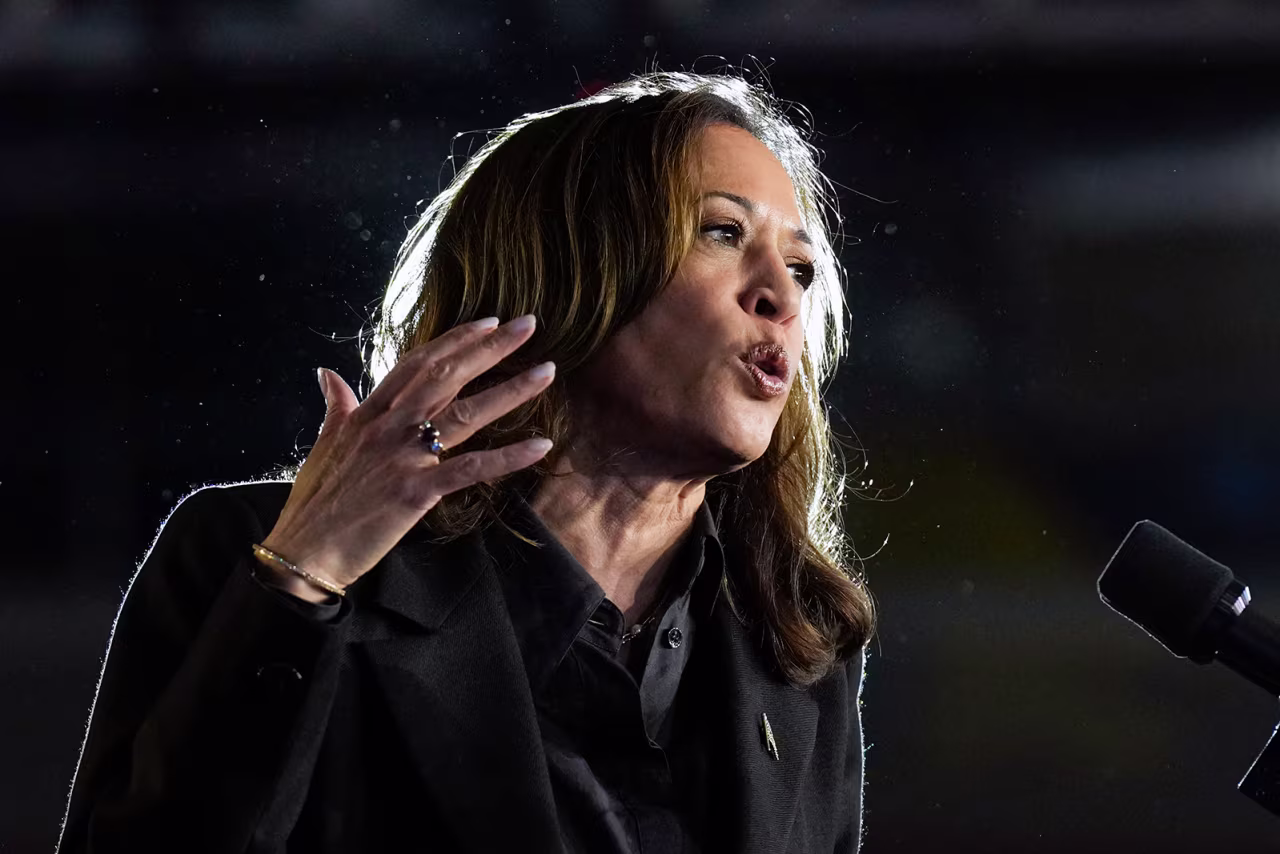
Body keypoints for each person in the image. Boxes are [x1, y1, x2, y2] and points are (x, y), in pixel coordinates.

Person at [57, 70, 875, 853]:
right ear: (563, 265)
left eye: (801, 268)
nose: (782, 295)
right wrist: (302, 578)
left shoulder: (798, 648)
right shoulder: (262, 559)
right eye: (723, 232)